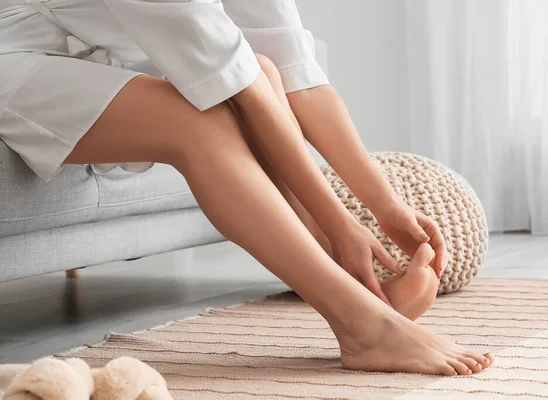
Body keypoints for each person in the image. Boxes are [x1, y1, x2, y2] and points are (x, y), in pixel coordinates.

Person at [0, 0, 494, 375]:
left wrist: (385, 206)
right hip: (12, 51)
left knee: (265, 68)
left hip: (78, 57)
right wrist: (340, 225)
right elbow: (232, 84)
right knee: (198, 121)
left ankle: (360, 292)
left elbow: (296, 72)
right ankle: (364, 325)